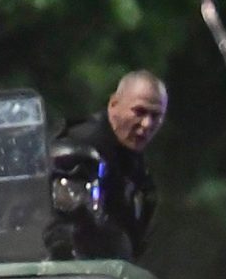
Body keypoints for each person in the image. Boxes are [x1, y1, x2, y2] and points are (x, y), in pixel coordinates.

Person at [48, 71, 167, 261]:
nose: (146, 124)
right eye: (139, 112)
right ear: (113, 104)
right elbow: (62, 232)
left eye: (156, 116)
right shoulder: (81, 151)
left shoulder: (134, 165)